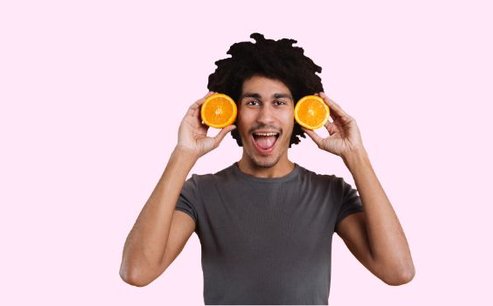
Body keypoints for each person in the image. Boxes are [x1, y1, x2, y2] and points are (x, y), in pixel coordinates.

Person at [120, 33, 415, 305]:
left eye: (279, 102)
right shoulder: (200, 193)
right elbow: (137, 272)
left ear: (298, 112)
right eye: (252, 102)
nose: (265, 117)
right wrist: (183, 154)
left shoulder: (331, 193)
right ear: (233, 111)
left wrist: (356, 155)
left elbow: (398, 271)